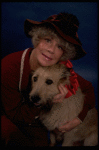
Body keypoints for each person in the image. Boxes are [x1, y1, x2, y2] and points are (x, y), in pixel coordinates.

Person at [1, 12, 96, 146]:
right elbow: (17, 116)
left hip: (37, 121)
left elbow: (88, 88)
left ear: (64, 53)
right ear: (37, 38)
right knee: (7, 131)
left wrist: (79, 119)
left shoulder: (57, 67)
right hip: (12, 117)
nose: (51, 50)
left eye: (59, 47)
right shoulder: (8, 67)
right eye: (48, 40)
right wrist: (44, 100)